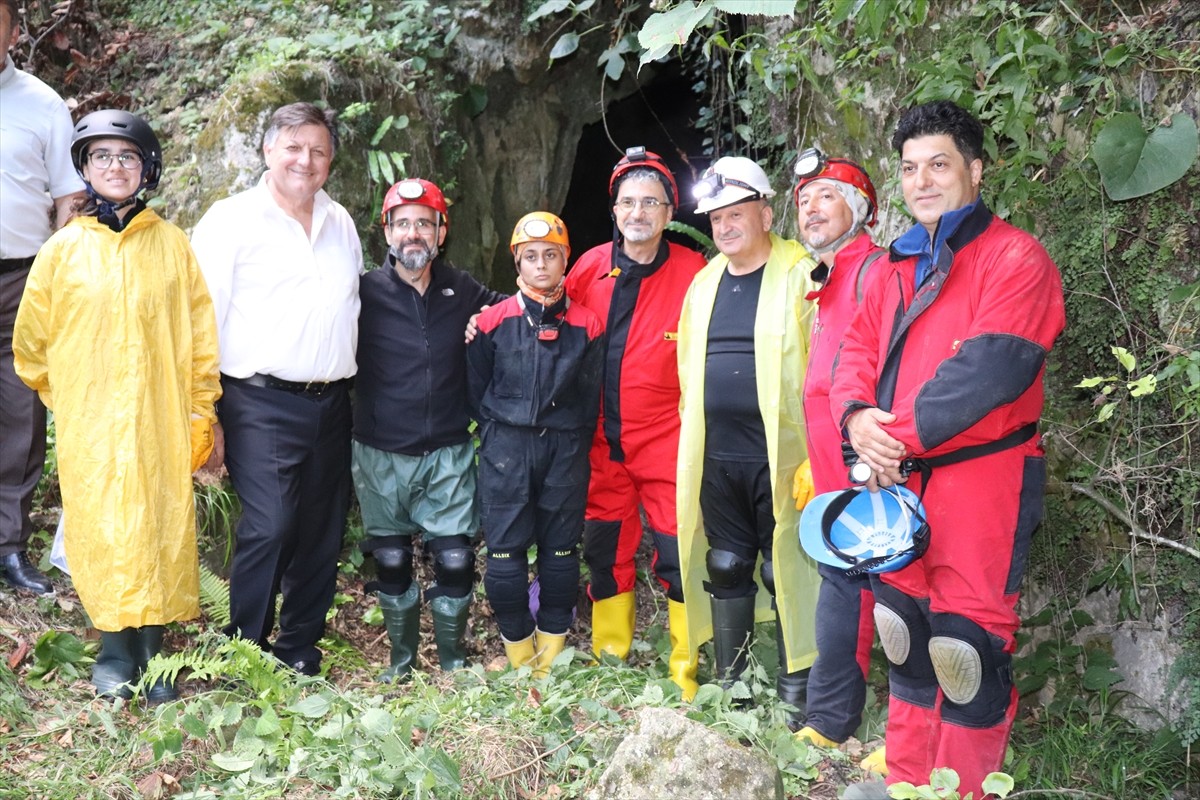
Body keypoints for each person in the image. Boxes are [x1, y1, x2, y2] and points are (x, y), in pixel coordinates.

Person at [834, 101, 1064, 798]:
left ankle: (963, 791)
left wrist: (889, 436)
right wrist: (854, 421)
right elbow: (855, 351)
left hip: (983, 479)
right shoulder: (892, 266)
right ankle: (908, 783)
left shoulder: (1015, 257)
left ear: (975, 169)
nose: (923, 181)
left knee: (966, 647)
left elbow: (991, 372)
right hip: (897, 483)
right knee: (902, 631)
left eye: (939, 164)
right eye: (909, 168)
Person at [13, 109, 221, 701]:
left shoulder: (172, 245)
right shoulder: (62, 251)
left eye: (127, 156)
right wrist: (72, 402)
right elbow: (31, 346)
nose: (115, 166)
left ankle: (153, 654)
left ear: (147, 168)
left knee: (157, 527)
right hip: (92, 425)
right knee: (102, 529)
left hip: (161, 419)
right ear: (84, 167)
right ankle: (113, 649)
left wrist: (200, 410)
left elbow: (201, 339)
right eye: (101, 156)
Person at [191, 102, 362, 677]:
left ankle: (298, 649)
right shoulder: (231, 219)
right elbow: (200, 317)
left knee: (322, 528)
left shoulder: (340, 221)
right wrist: (205, 412)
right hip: (257, 400)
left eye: (317, 150)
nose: (304, 160)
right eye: (292, 146)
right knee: (271, 524)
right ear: (267, 151)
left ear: (330, 160)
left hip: (332, 400)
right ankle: (244, 649)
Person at [676, 156, 821, 720]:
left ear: (766, 213)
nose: (725, 226)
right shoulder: (703, 282)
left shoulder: (803, 272)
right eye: (716, 218)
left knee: (781, 564)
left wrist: (821, 453)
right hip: (717, 453)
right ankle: (731, 687)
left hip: (784, 455)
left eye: (736, 214)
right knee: (728, 562)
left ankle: (797, 691)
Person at [565, 147, 707, 699]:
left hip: (666, 438)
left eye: (651, 202)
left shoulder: (695, 273)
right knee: (604, 549)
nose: (638, 212)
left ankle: (684, 670)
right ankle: (610, 656)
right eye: (628, 202)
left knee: (677, 551)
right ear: (615, 209)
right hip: (602, 440)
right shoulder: (588, 267)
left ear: (670, 213)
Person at [353, 178, 505, 681]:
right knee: (392, 559)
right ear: (387, 232)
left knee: (457, 559)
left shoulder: (461, 289)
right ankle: (401, 661)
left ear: (442, 231)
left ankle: (454, 660)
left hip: (447, 450)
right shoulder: (362, 293)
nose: (413, 233)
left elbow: (517, 307)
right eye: (403, 224)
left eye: (424, 223)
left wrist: (485, 319)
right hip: (379, 450)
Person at [467, 212, 603, 677]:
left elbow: (592, 395)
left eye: (551, 254)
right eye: (531, 256)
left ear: (566, 259)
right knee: (504, 554)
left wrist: (567, 437)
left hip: (565, 449)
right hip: (505, 448)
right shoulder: (491, 322)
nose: (541, 264)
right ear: (517, 264)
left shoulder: (588, 325)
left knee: (561, 552)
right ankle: (520, 661)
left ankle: (550, 661)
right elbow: (475, 389)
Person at [790, 149, 889, 775]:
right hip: (834, 466)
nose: (809, 207)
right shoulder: (825, 282)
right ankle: (829, 721)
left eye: (826, 195)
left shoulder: (877, 270)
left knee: (898, 592)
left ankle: (915, 734)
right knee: (841, 590)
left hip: (872, 462)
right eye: (803, 200)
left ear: (859, 210)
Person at [0, 0, 85, 596]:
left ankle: (7, 545)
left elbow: (67, 196)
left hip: (20, 280)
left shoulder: (41, 103)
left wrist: (57, 271)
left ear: (11, 30)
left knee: (19, 416)